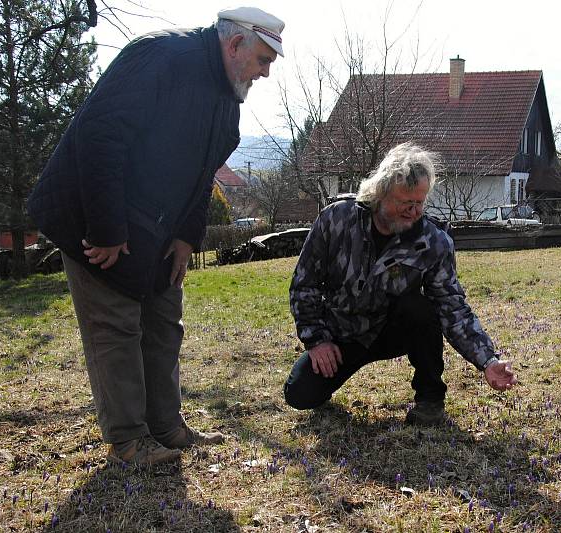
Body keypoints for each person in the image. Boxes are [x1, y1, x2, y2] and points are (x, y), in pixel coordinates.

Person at [27, 7, 285, 466]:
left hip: (157, 228)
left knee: (164, 322)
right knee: (116, 327)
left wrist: (188, 236)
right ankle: (128, 440)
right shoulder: (160, 57)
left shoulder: (227, 95)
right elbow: (100, 136)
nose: (265, 72)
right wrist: (106, 230)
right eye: (264, 59)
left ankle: (166, 427)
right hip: (94, 219)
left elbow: (205, 172)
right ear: (235, 45)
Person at [284, 143, 517, 426]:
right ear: (380, 194)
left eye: (420, 203)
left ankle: (430, 398)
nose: (414, 211)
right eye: (406, 203)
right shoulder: (336, 220)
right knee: (299, 395)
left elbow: (452, 306)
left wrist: (487, 361)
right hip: (340, 333)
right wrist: (317, 340)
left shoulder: (434, 242)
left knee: (420, 308)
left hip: (390, 330)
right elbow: (304, 285)